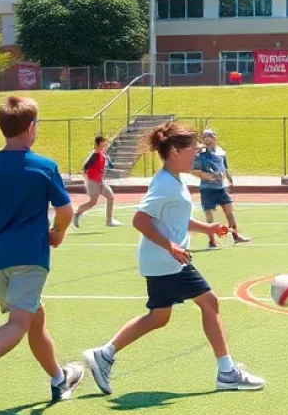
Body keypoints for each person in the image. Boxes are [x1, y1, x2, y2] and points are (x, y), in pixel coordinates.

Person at [82, 122, 264, 393]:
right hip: (167, 260)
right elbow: (140, 220)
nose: (197, 153)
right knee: (210, 302)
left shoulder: (173, 180)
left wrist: (207, 228)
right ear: (177, 151)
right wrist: (170, 246)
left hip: (163, 260)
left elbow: (175, 218)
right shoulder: (166, 184)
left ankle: (105, 354)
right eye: (194, 148)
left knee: (158, 317)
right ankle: (226, 372)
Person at [0, 96, 84, 412]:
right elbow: (65, 210)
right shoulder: (43, 166)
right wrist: (58, 232)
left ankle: (59, 378)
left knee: (34, 320)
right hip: (30, 258)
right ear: (31, 127)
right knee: (19, 322)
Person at [192, 128, 249, 248]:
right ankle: (212, 240)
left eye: (210, 136)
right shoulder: (200, 155)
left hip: (220, 187)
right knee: (209, 214)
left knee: (229, 210)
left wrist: (229, 179)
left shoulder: (221, 152)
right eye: (205, 137)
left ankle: (235, 235)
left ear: (214, 138)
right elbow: (195, 170)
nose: (208, 139)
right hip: (207, 188)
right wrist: (207, 175)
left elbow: (224, 167)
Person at [73, 135, 119, 228]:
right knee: (93, 202)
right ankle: (77, 214)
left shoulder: (102, 154)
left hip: (100, 181)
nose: (105, 146)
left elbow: (102, 166)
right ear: (97, 145)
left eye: (105, 144)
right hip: (93, 181)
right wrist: (88, 178)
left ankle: (109, 221)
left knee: (110, 197)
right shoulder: (94, 155)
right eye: (102, 144)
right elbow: (85, 168)